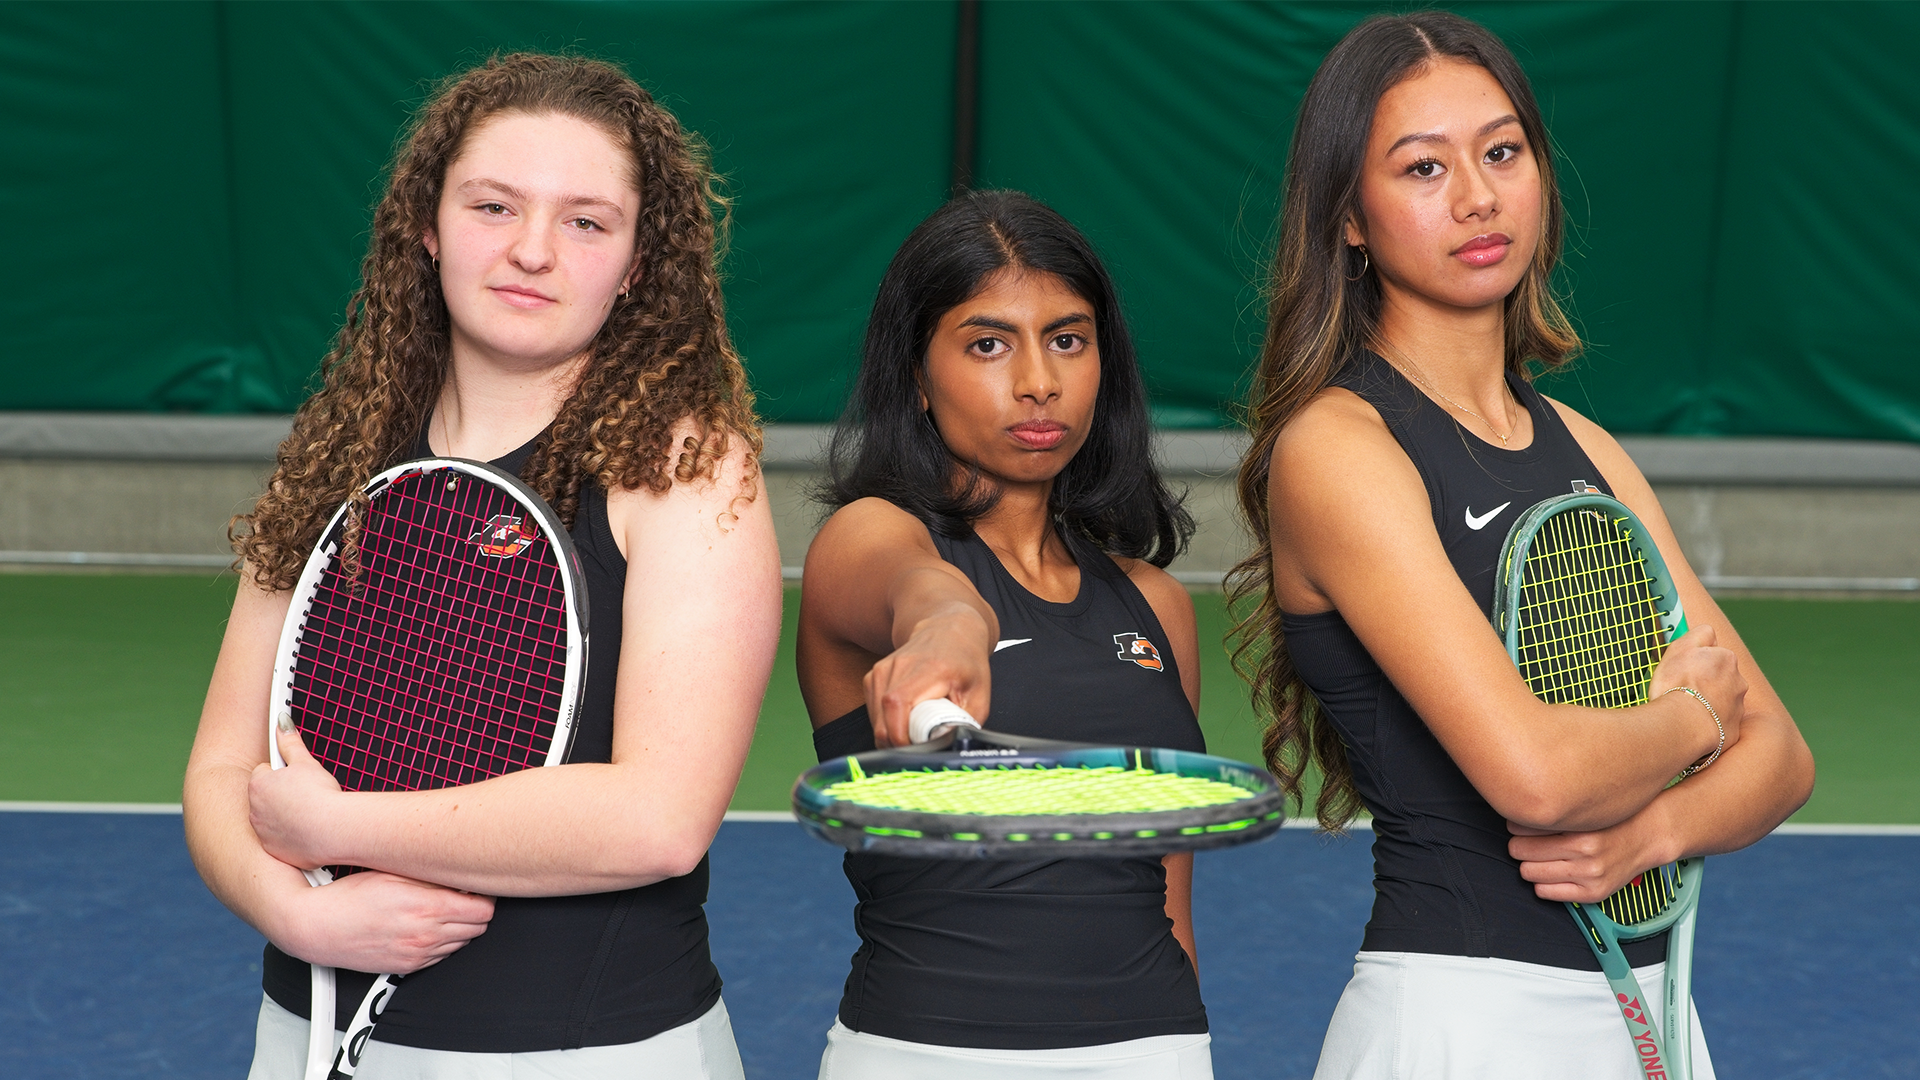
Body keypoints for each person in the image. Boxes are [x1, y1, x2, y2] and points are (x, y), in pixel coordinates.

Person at [1229, 12, 1814, 1078]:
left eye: (1502, 152)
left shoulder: (1585, 446)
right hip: (1462, 1015)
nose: (1476, 197)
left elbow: (1784, 759)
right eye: (1421, 167)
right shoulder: (1335, 449)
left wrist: (1645, 839)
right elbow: (1536, 779)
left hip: (1649, 1015)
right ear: (1349, 217)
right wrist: (1696, 712)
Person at [182, 53, 780, 1079]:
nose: (532, 252)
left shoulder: (684, 466)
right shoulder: (344, 451)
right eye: (494, 206)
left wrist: (339, 827)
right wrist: (294, 911)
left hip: (591, 1051)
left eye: (586, 221)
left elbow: (659, 821)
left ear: (638, 263)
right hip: (306, 1029)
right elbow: (221, 770)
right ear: (428, 223)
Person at [796, 190, 1212, 1078]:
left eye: (1068, 339)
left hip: (1157, 1047)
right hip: (924, 1052)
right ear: (916, 371)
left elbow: (1169, 900)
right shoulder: (864, 538)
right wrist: (950, 627)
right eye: (988, 343)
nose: (1039, 381)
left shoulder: (1157, 606)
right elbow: (916, 588)